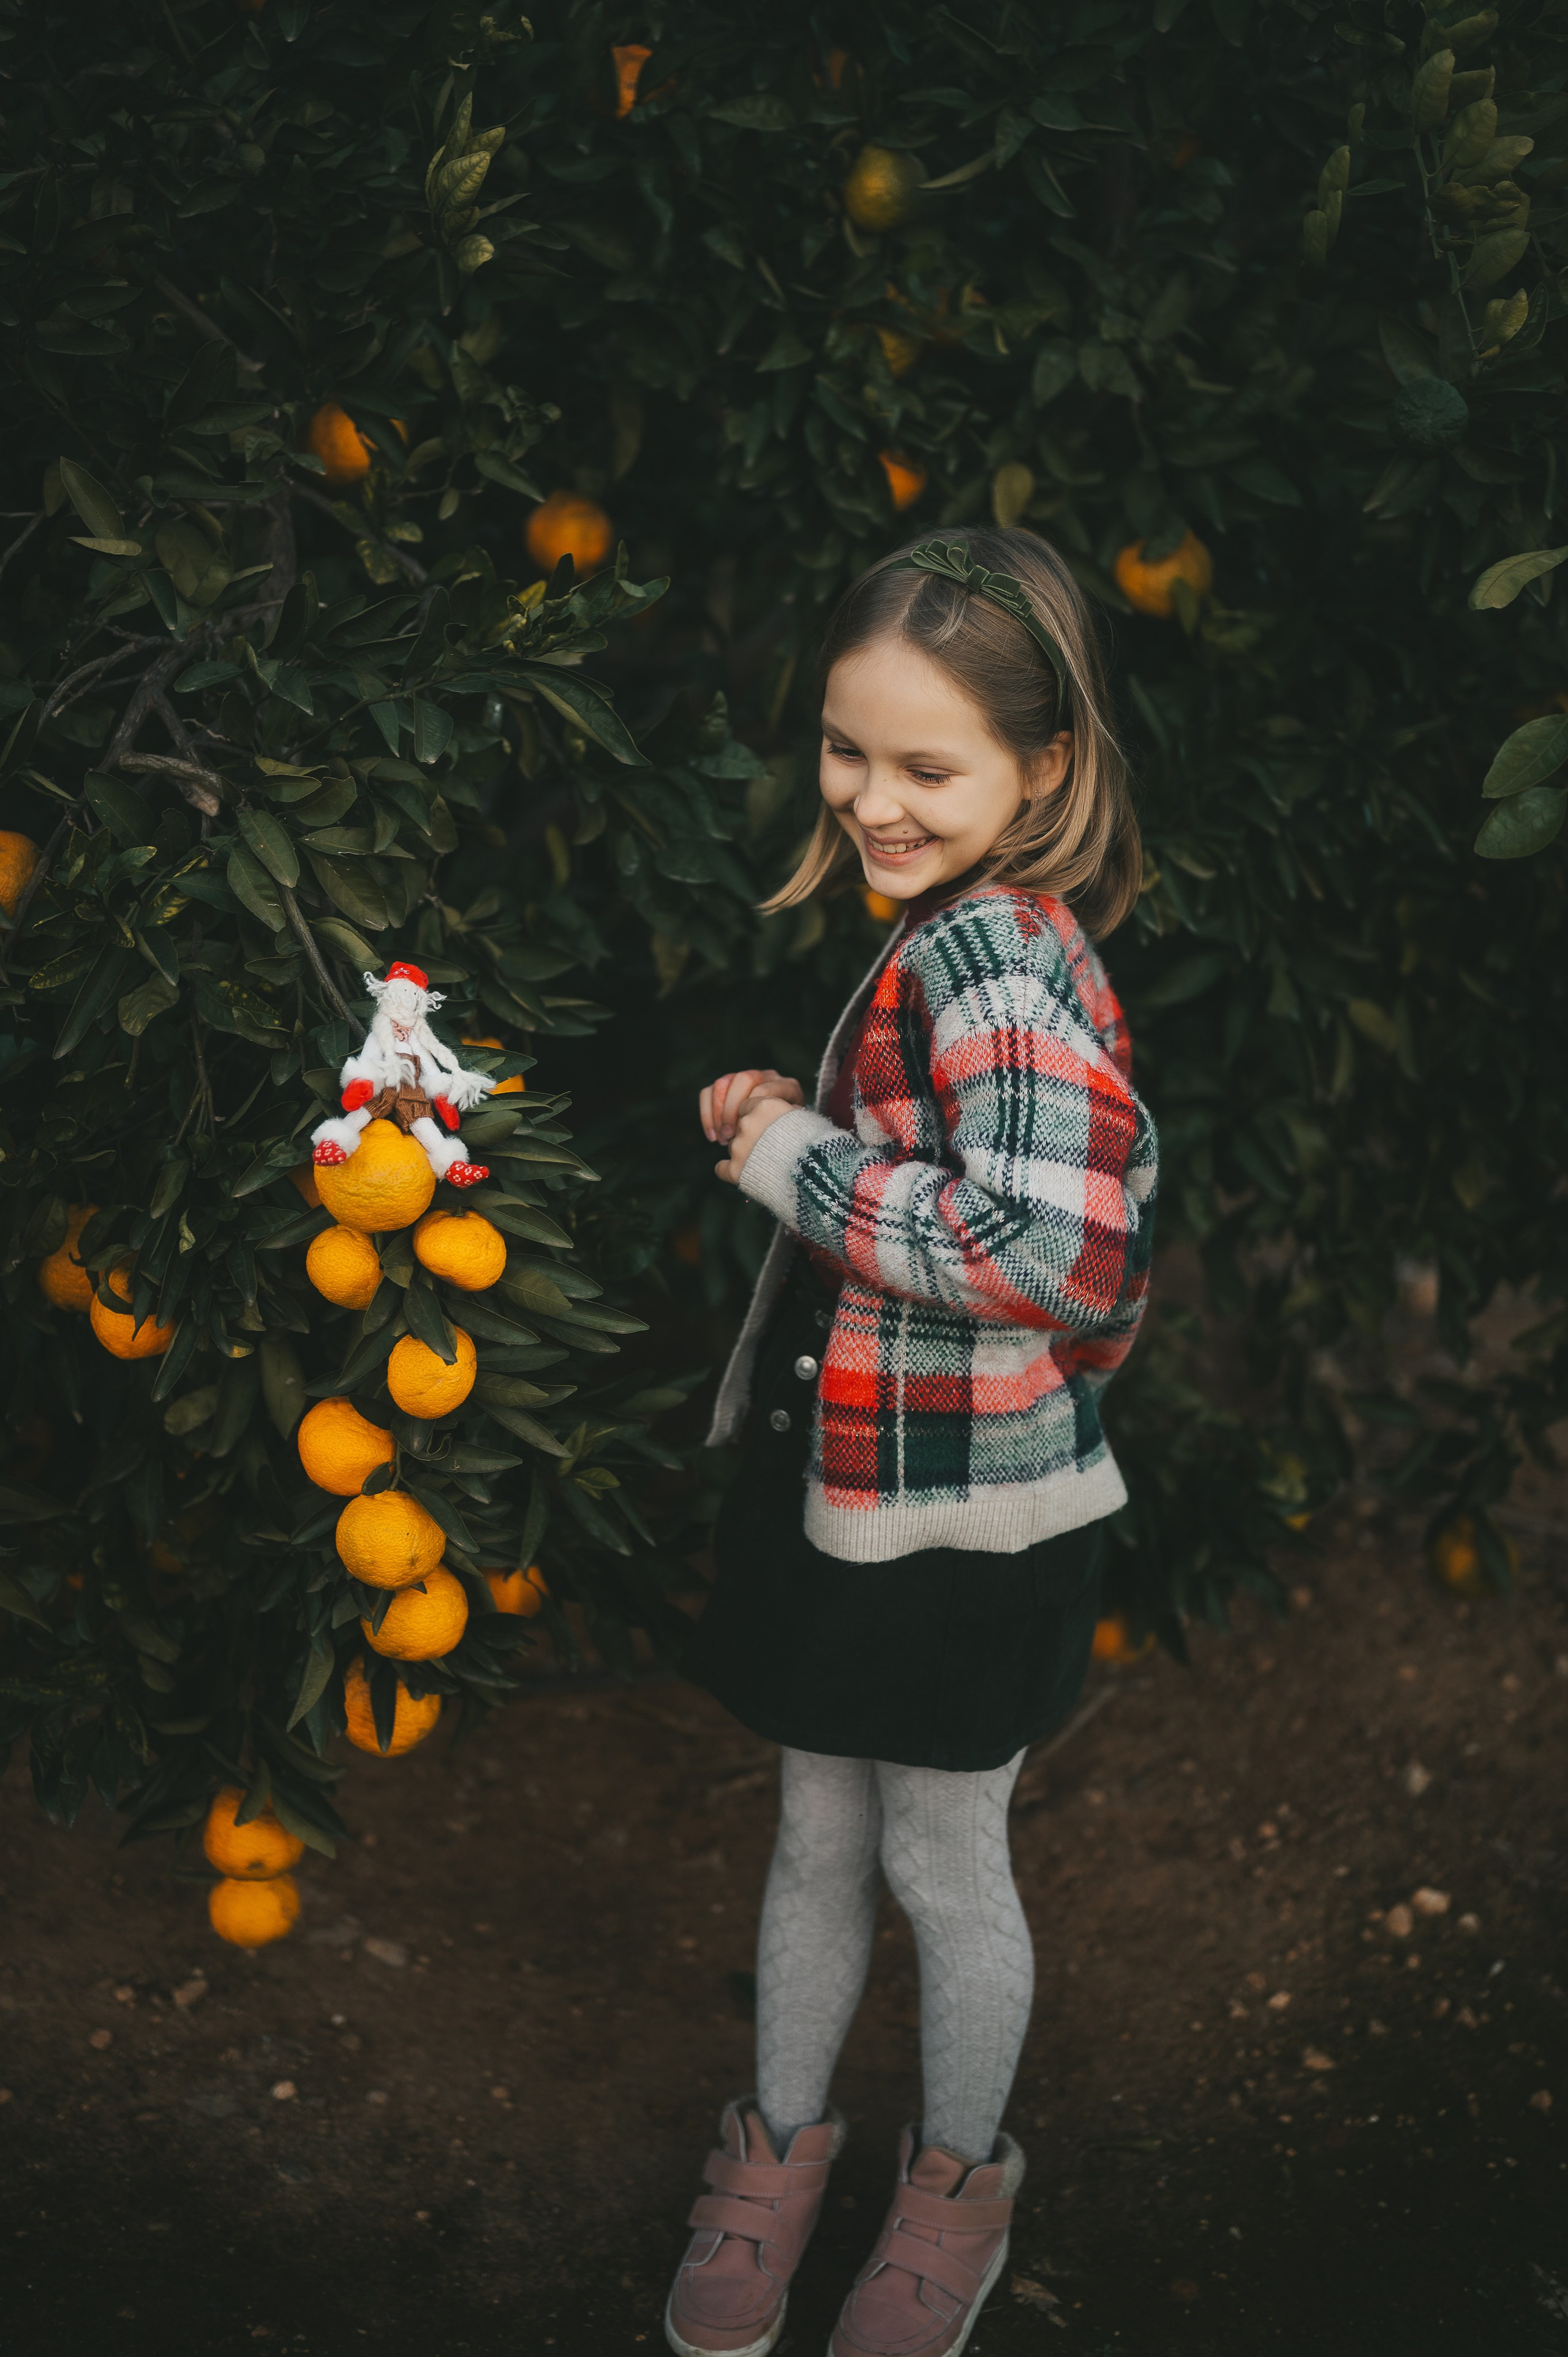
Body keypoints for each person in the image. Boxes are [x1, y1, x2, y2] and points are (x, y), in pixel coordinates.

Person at [663, 530, 1158, 2357]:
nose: (873, 799)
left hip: (969, 1521)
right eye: (845, 749)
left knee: (941, 1865)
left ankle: (954, 2191)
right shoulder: (949, 937)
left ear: (1045, 767)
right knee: (815, 1834)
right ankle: (781, 2152)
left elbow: (1058, 1254)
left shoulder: (999, 962)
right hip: (856, 1485)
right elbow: (973, 1189)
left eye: (927, 767)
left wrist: (796, 1162)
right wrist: (800, 1120)